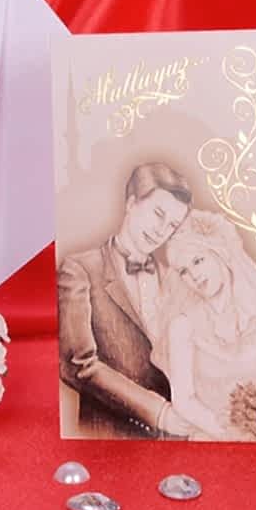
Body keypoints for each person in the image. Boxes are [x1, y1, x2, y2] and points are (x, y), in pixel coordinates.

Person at [58, 162, 197, 439]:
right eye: (158, 214)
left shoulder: (176, 278)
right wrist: (159, 413)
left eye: (172, 225)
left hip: (177, 442)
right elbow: (77, 365)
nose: (161, 230)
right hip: (108, 438)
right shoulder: (79, 269)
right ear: (131, 203)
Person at [156, 209, 256, 440]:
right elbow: (184, 400)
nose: (193, 275)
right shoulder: (182, 326)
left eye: (198, 261)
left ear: (220, 254)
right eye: (184, 271)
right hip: (213, 438)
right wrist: (232, 434)